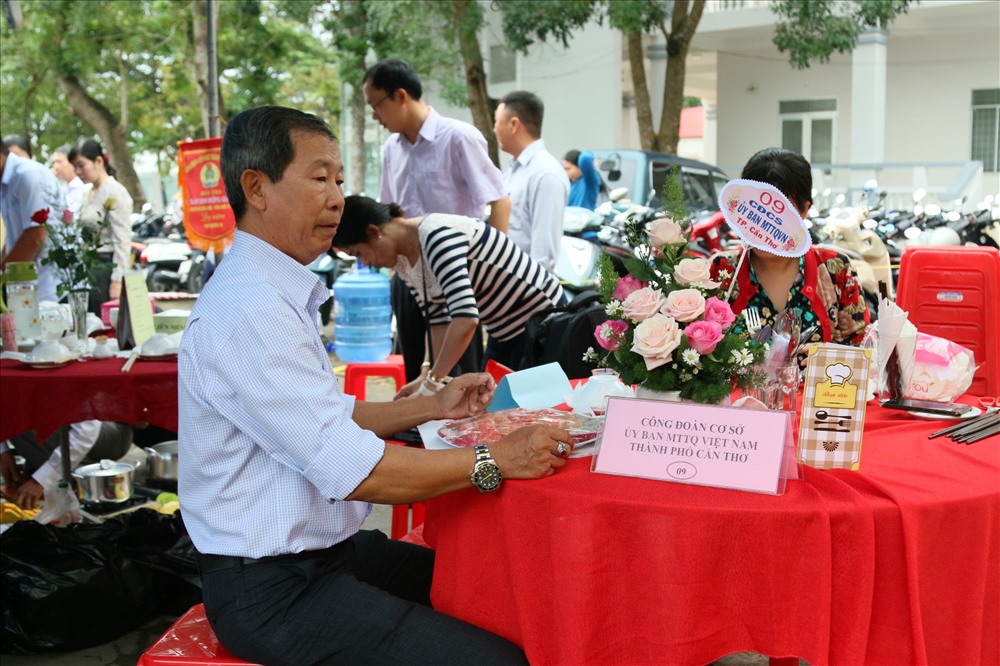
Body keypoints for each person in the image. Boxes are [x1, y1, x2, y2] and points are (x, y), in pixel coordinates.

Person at [180, 105, 573, 666]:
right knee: (497, 660)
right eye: (319, 177)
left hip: (331, 554)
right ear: (256, 187)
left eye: (339, 179)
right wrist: (495, 459)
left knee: (510, 591)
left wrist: (431, 406)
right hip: (273, 592)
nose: (337, 197)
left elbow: (330, 416)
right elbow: (358, 470)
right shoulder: (249, 309)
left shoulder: (273, 291)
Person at [364, 58, 510, 382]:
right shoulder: (391, 149)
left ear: (400, 96)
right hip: (408, 272)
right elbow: (390, 211)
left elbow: (499, 199)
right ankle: (417, 429)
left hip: (454, 271)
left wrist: (487, 268)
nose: (375, 116)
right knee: (415, 362)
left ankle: (465, 433)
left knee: (458, 373)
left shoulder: (458, 137)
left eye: (376, 105)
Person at [335, 195, 565, 393]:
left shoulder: (438, 237)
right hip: (503, 329)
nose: (365, 261)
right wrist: (425, 374)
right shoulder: (405, 262)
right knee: (489, 402)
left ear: (374, 232)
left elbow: (465, 319)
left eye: (359, 253)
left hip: (540, 322)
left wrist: (433, 383)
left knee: (514, 408)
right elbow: (437, 321)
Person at [710, 148, 870, 347]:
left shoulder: (835, 268)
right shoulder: (722, 270)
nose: (765, 222)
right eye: (756, 208)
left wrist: (824, 357)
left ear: (804, 210)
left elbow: (862, 349)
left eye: (778, 212)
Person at [494, 91, 568, 273]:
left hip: (523, 293)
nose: (494, 129)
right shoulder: (513, 170)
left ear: (513, 124)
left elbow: (543, 258)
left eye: (496, 122)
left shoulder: (545, 174)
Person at [0, 421, 133, 509]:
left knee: (35, 420)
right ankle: (51, 470)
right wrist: (3, 451)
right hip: (73, 427)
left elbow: (87, 432)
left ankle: (81, 477)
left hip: (108, 430)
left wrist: (40, 480)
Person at [68, 138, 133, 312]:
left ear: (98, 161)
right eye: (75, 167)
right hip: (88, 267)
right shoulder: (89, 192)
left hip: (105, 268)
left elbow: (122, 239)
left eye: (81, 165)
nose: (78, 171)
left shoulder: (114, 191)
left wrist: (117, 280)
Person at [0, 141, 64, 301]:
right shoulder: (5, 182)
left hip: (51, 291)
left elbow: (36, 236)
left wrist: (2, 272)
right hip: (27, 291)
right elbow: (15, 237)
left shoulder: (27, 175)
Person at [50, 144, 91, 217]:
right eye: (54, 163)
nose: (55, 167)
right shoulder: (60, 189)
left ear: (71, 162)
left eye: (59, 162)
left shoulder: (86, 187)